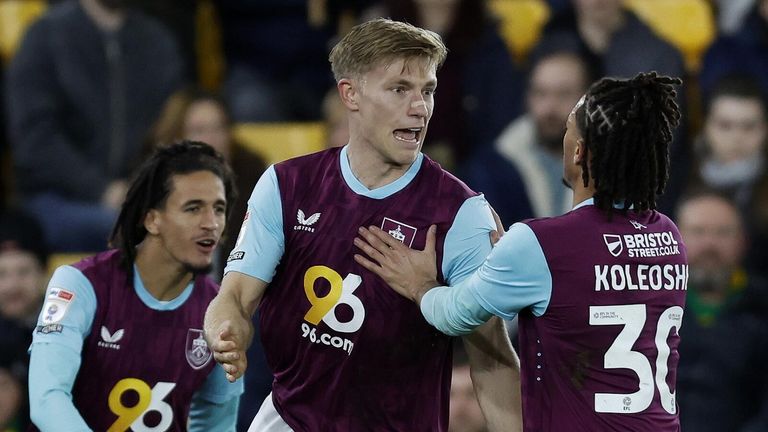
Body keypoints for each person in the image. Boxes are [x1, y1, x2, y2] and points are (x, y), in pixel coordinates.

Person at [204, 18, 520, 432]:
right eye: (399, 89)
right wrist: (225, 332)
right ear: (350, 94)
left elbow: (492, 358)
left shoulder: (461, 216)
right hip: (291, 421)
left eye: (427, 91)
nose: (420, 107)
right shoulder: (286, 185)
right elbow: (234, 297)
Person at [355, 71, 688, 431]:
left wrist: (421, 285)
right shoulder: (668, 236)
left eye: (568, 130)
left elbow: (454, 315)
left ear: (578, 153)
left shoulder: (542, 242)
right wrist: (515, 262)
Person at [27, 142, 243, 431]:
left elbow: (217, 423)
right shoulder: (80, 285)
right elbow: (46, 398)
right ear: (152, 219)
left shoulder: (222, 312)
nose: (211, 223)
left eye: (219, 209)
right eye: (193, 209)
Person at [4, 0, 184, 252]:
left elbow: (171, 130)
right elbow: (34, 140)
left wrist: (141, 188)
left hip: (136, 194)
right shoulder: (45, 37)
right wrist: (102, 189)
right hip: (55, 198)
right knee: (138, 228)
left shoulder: (158, 41)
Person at [462, 48, 594, 226]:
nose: (550, 107)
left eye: (564, 94)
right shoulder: (494, 168)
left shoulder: (613, 167)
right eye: (541, 93)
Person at [674, 192, 768, 431]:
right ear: (675, 240)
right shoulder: (648, 306)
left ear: (743, 241)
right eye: (698, 231)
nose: (709, 245)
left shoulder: (761, 307)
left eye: (723, 232)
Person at [0, 210, 49, 430]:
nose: (12, 286)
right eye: (1, 274)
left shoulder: (68, 327)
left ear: (44, 273)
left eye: (23, 272)